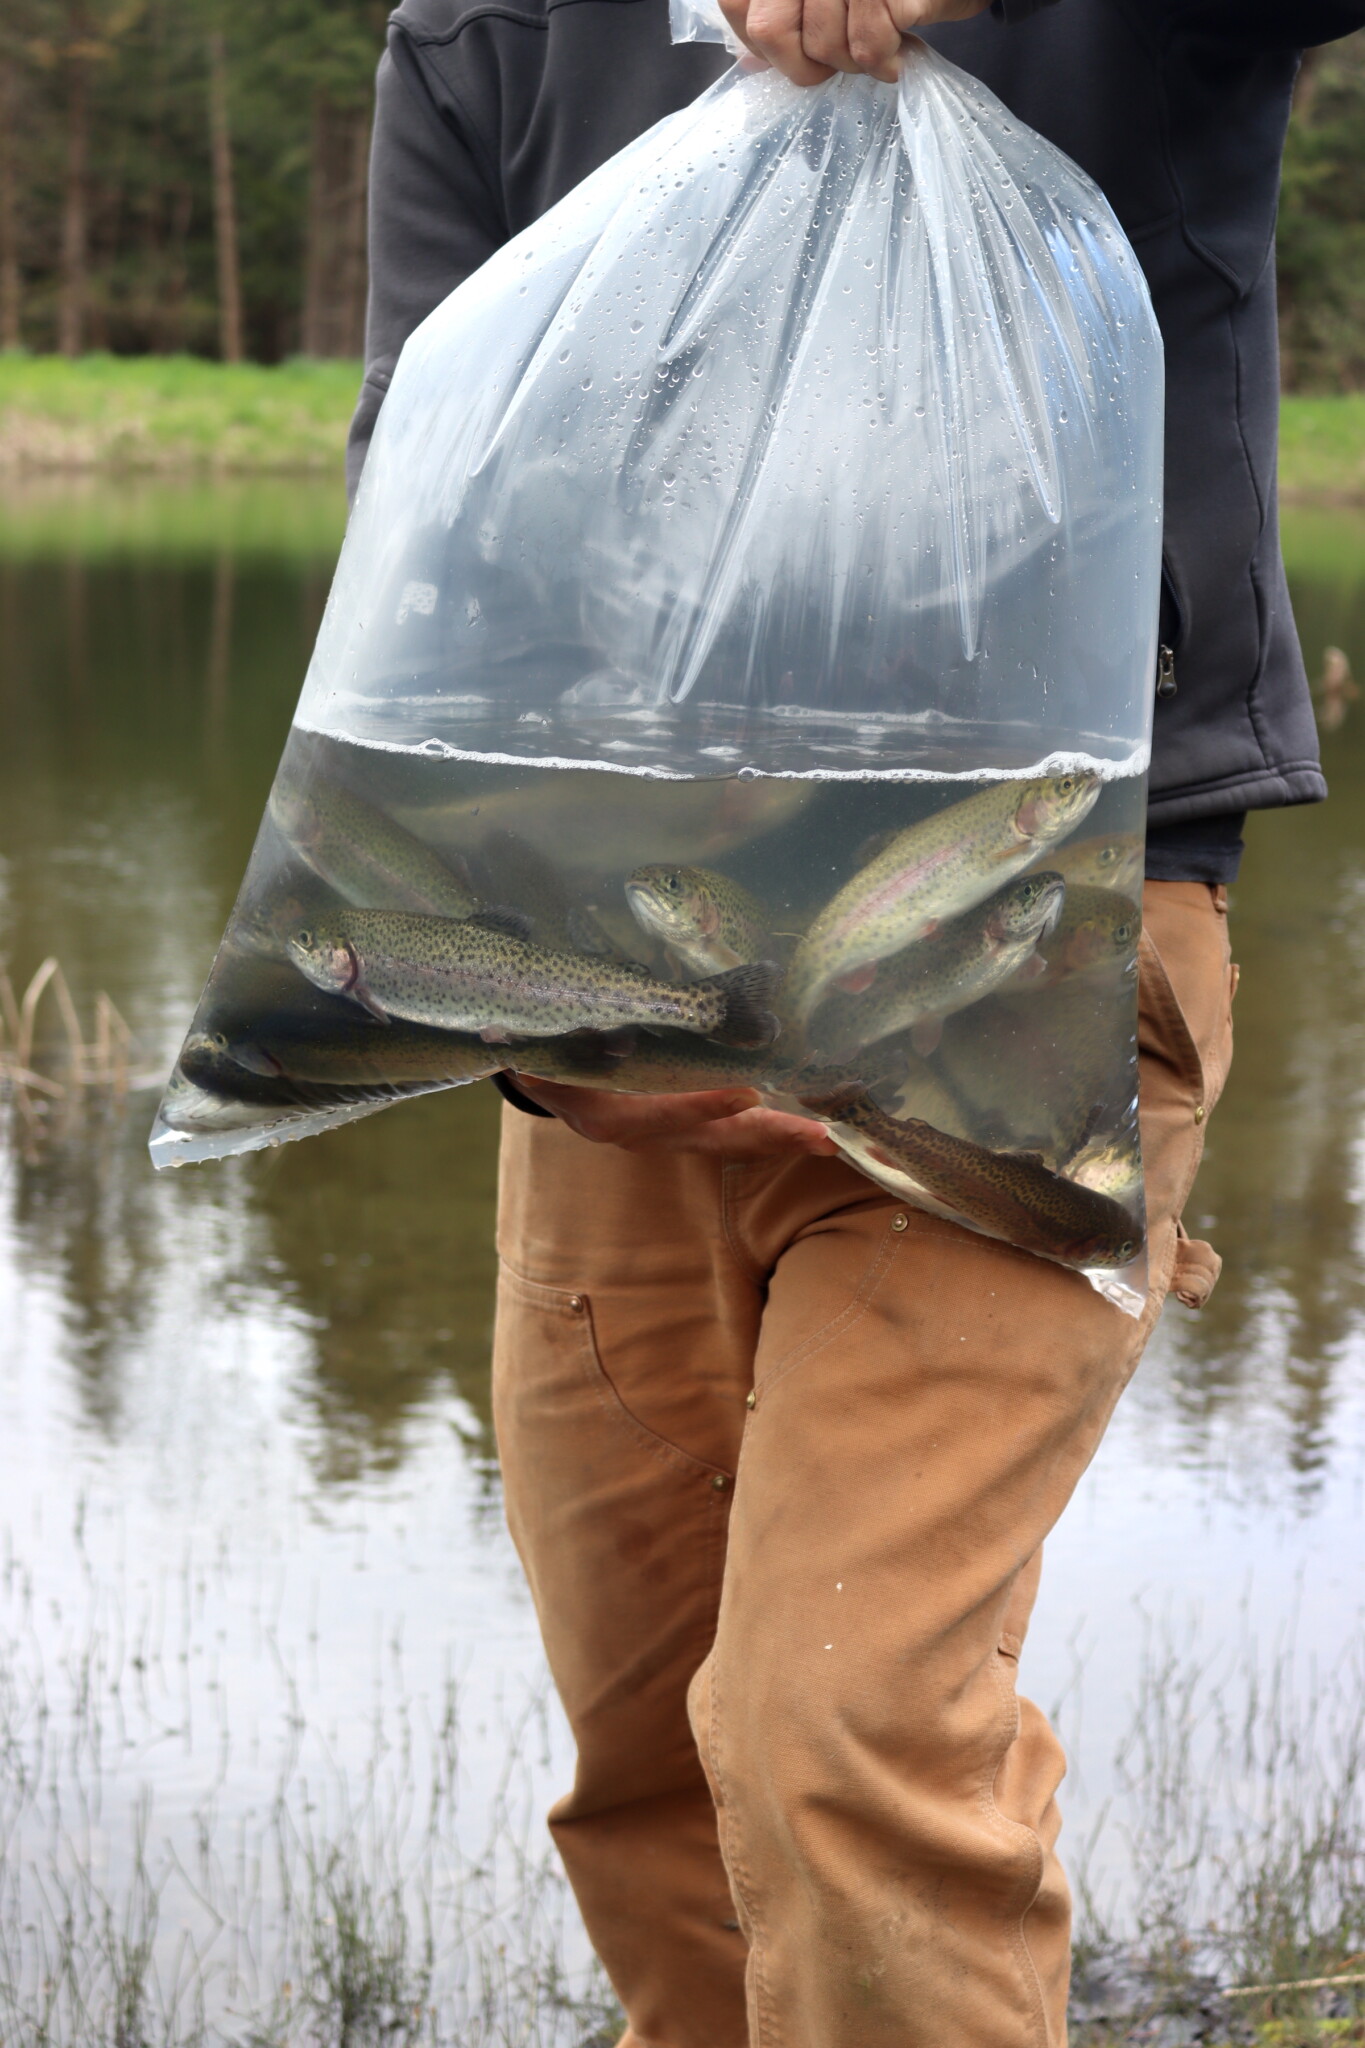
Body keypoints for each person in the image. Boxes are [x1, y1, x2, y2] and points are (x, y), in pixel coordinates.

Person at [349, 3, 1362, 2041]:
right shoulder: (486, 37)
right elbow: (426, 550)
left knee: (841, 1728)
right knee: (652, 1773)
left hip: (1034, 958)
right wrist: (556, 1026)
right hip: (622, 1005)